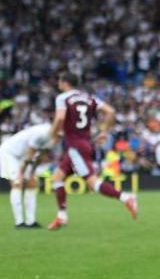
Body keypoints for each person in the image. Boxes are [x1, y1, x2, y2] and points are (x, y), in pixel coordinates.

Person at [47, 73, 138, 231]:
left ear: (64, 83)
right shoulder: (89, 97)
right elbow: (110, 111)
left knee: (92, 182)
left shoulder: (63, 98)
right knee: (57, 177)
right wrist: (104, 131)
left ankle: (126, 197)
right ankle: (62, 216)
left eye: (59, 81)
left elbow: (60, 118)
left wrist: (53, 135)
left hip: (76, 146)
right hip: (83, 143)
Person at [0, 122, 52, 228]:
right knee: (17, 183)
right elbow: (30, 154)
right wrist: (21, 173)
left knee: (32, 183)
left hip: (22, 155)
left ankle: (31, 221)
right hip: (9, 153)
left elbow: (41, 156)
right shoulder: (42, 133)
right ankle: (19, 222)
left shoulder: (51, 135)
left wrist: (32, 171)